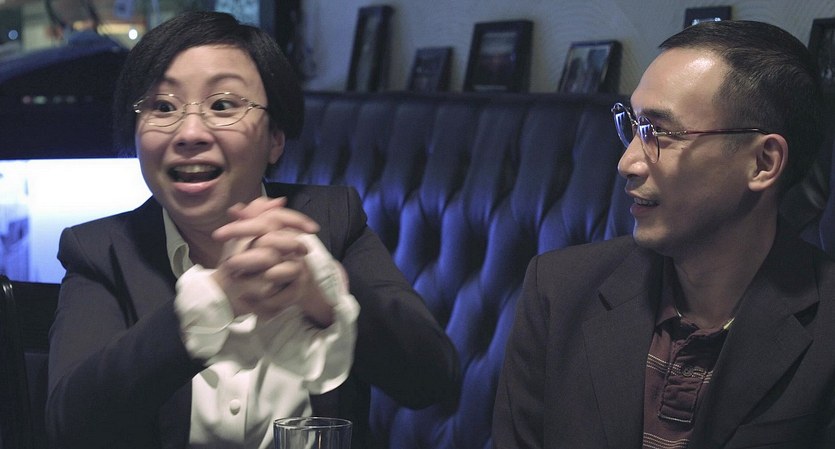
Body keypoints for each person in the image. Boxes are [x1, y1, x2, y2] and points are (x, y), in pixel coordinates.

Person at [46, 10, 460, 449]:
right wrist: (208, 306)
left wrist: (326, 298)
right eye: (163, 107)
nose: (190, 132)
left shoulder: (332, 222)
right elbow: (69, 426)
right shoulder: (100, 251)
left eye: (223, 105)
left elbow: (433, 381)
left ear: (275, 137)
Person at [493, 20, 835, 448]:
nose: (627, 163)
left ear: (763, 162)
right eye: (634, 126)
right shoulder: (559, 290)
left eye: (660, 132)